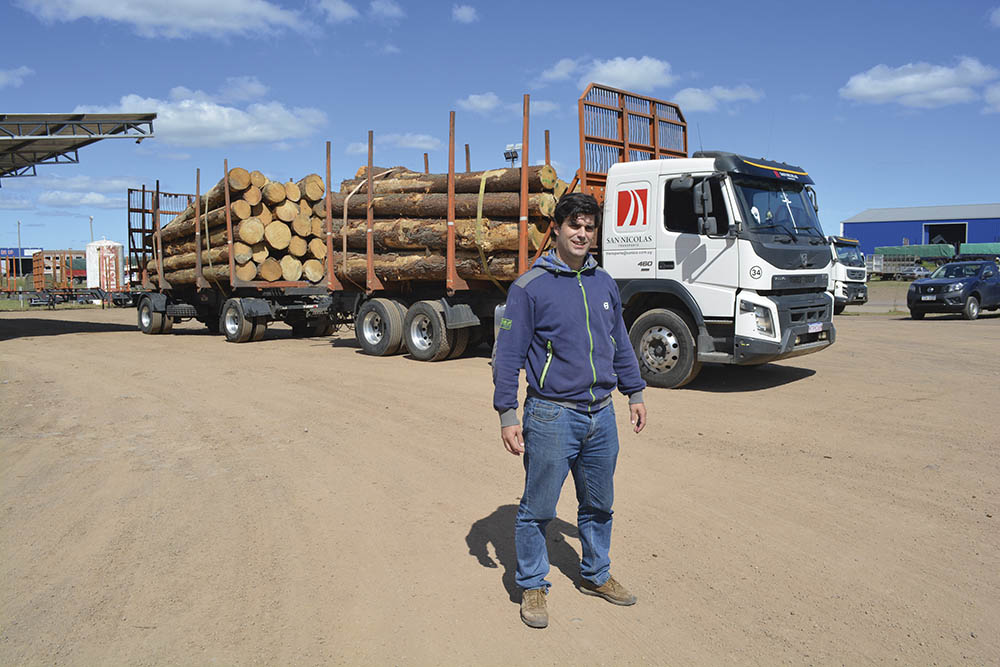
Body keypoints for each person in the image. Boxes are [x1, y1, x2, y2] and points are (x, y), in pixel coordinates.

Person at [492, 192, 647, 629]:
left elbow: (618, 342)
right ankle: (533, 584)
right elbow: (507, 356)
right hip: (551, 415)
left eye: (589, 227)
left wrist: (634, 392)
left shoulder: (604, 284)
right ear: (556, 230)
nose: (582, 234)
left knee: (599, 504)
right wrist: (507, 413)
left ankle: (596, 575)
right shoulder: (529, 287)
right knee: (538, 508)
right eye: (574, 226)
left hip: (601, 415)